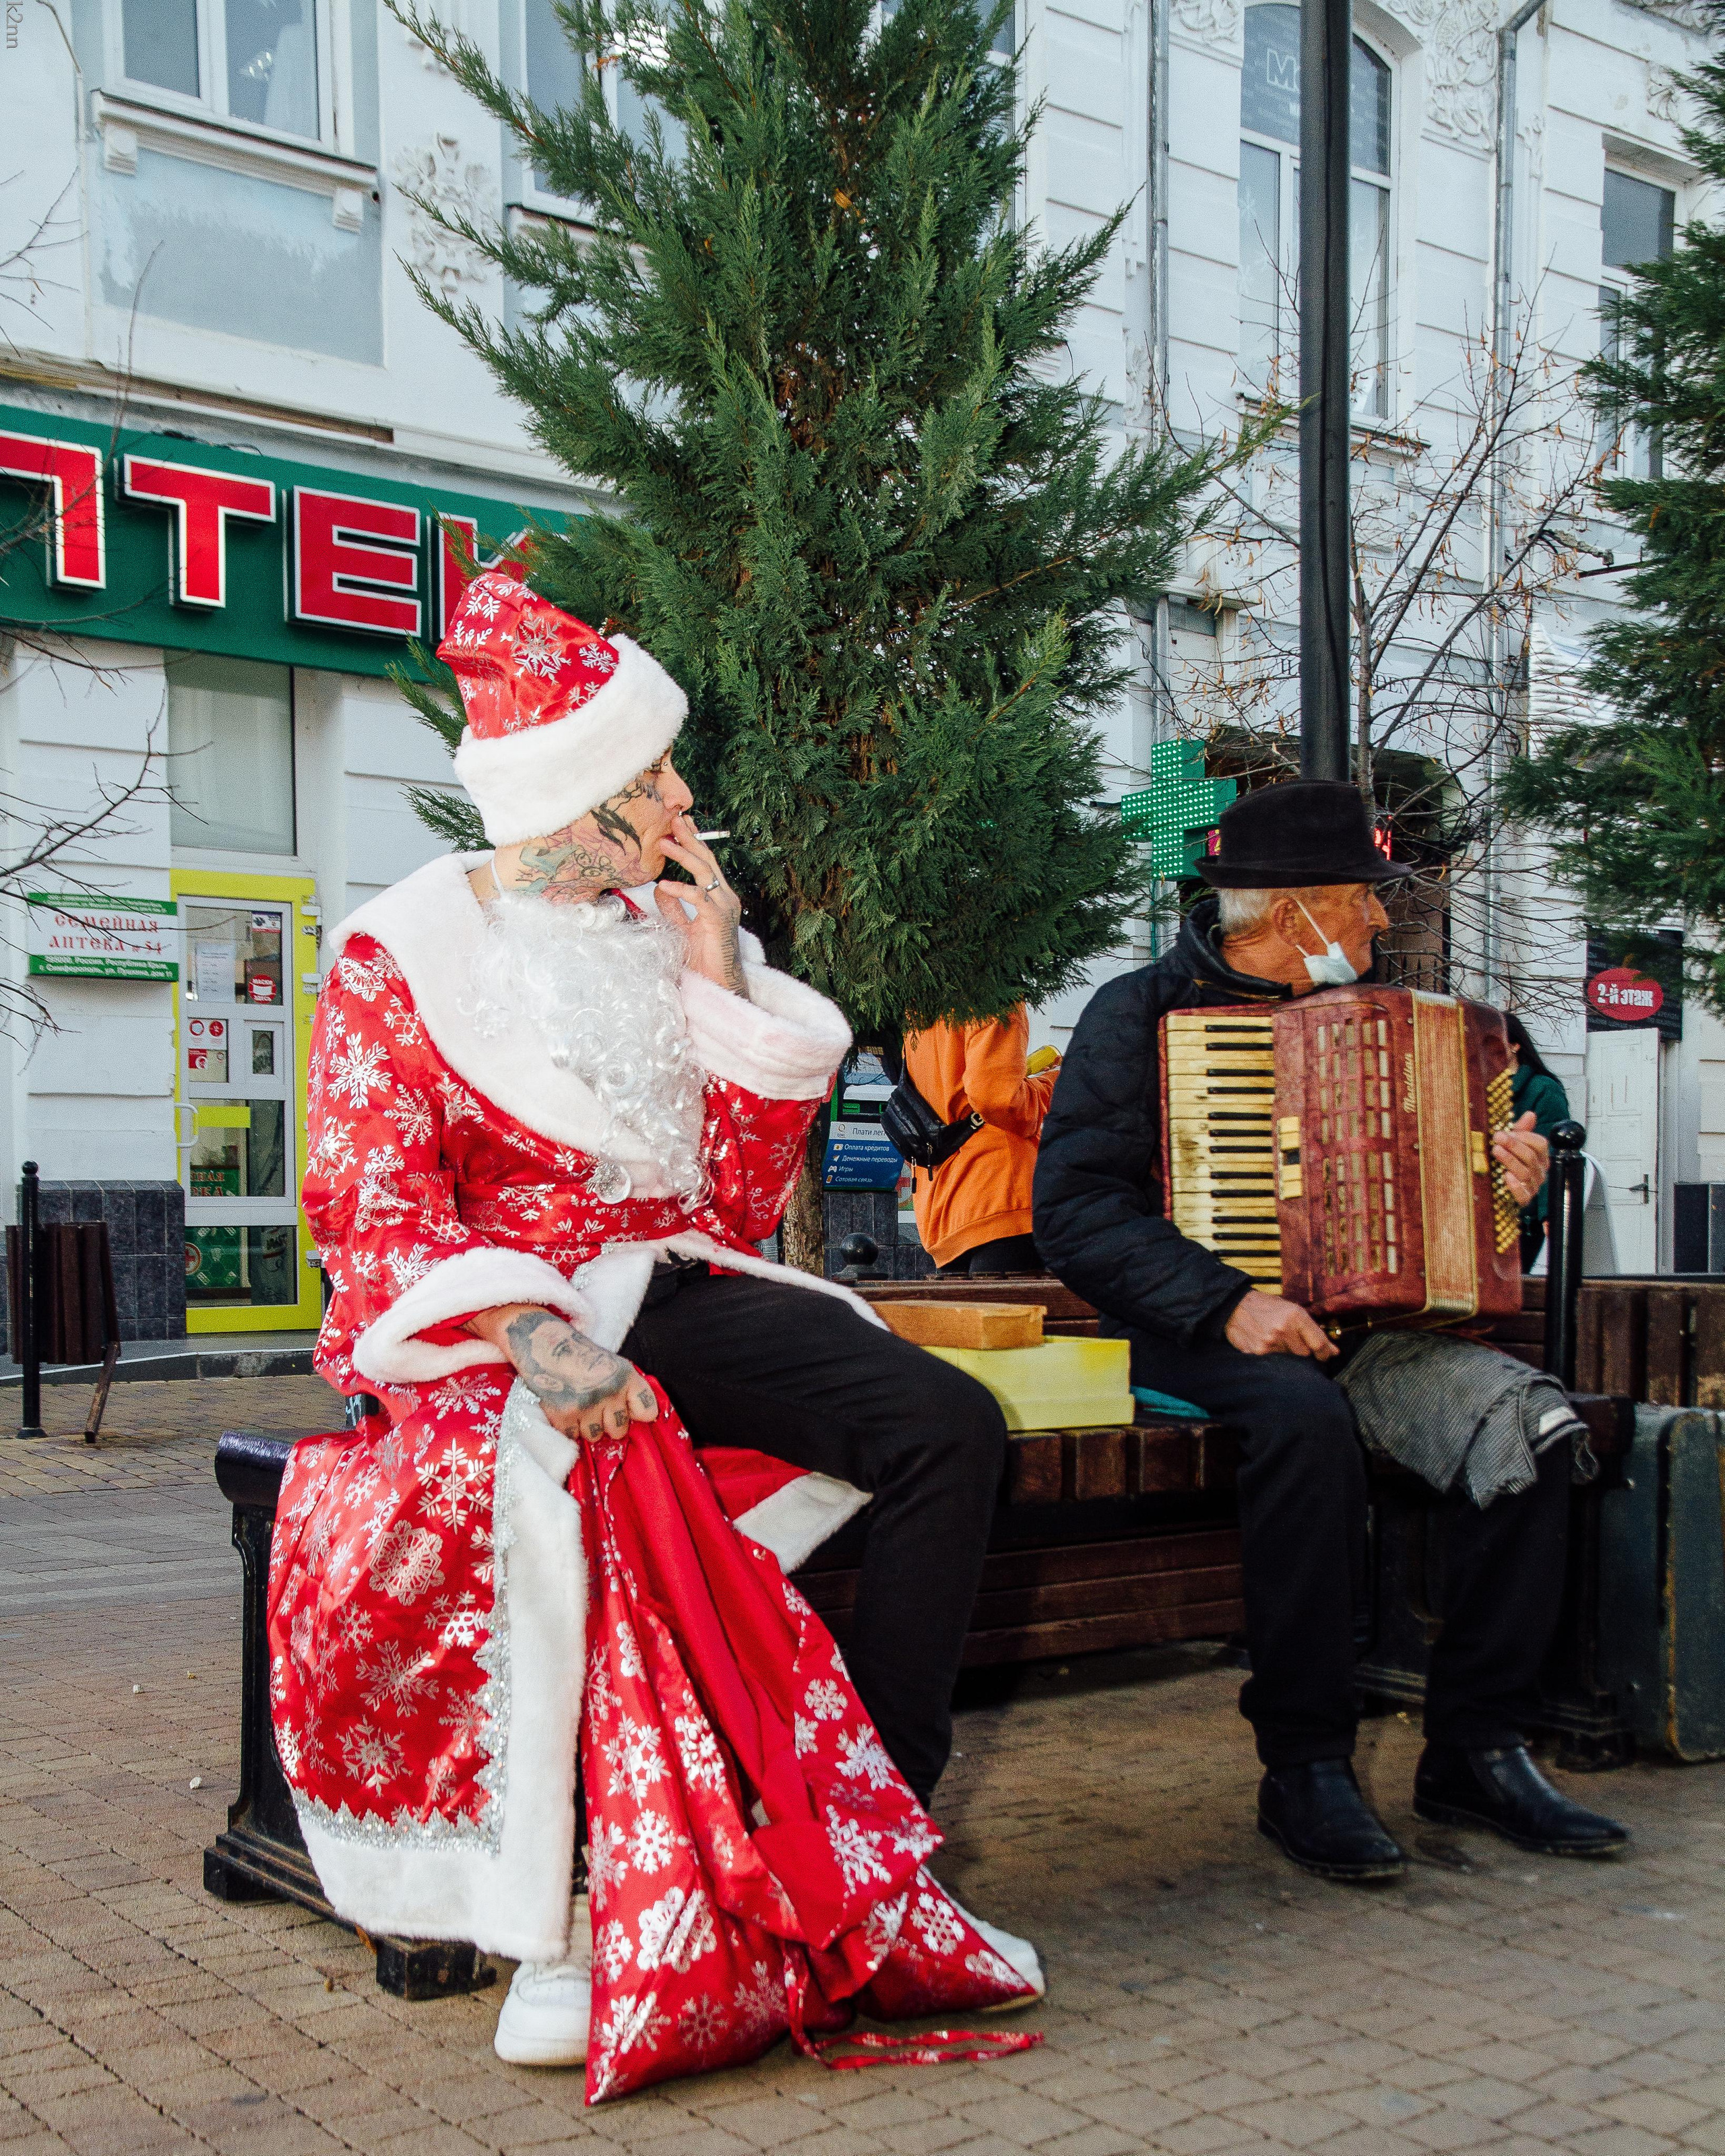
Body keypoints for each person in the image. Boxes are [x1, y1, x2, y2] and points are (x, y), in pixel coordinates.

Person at [270, 573, 1041, 2099]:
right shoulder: (402, 954)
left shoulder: (658, 926)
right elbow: (368, 1206)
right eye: (653, 777)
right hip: (499, 1326)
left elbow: (733, 1206)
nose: (685, 798)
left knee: (944, 1431)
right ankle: (558, 1917)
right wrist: (538, 1344)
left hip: (674, 1285)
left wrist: (720, 992)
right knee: (562, 1500)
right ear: (574, 795)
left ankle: (872, 1832)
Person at [1033, 780, 1629, 1883]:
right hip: (1186, 1326)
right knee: (1301, 1424)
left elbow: (1501, 1213)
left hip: (1368, 1332)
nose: (1381, 923)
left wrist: (1517, 1183)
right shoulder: (1140, 1013)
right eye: (1366, 898)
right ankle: (1304, 1764)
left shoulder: (1411, 1024)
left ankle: (1477, 1745)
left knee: (1536, 1430)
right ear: (1302, 910)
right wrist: (1226, 1300)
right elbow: (1072, 1212)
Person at [902, 1007, 1059, 1276]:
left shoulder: (921, 1002)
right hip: (1003, 1193)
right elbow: (999, 1099)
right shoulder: (994, 994)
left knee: (968, 1316)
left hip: (944, 1205)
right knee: (1018, 1317)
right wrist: (1056, 1082)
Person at [1503, 1011, 1572, 1269]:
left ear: (1515, 1044)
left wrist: (1549, 1212)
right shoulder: (1476, 1085)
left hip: (1522, 1215)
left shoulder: (1543, 1088)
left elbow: (1552, 1154)